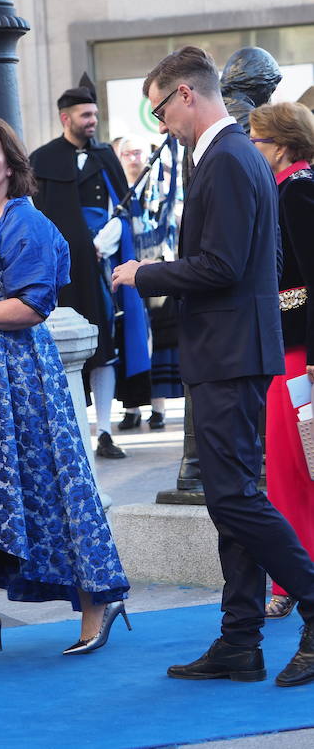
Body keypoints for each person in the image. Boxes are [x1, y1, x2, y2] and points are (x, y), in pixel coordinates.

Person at [113, 46, 314, 688]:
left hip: (230, 354)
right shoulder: (236, 157)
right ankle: (240, 640)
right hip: (235, 350)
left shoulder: (227, 159)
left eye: (159, 112)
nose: (160, 126)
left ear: (185, 97)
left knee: (236, 500)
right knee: (234, 502)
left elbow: (222, 267)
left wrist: (144, 273)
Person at [0, 116, 130, 661]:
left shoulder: (24, 222)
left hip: (19, 374)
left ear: (11, 163)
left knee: (50, 487)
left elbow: (33, 306)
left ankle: (95, 603)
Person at [30, 76, 150, 460]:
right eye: (85, 115)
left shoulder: (104, 157)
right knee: (64, 344)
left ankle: (104, 431)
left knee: (104, 344)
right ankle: (70, 430)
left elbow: (123, 209)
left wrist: (106, 239)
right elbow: (35, 216)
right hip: (61, 270)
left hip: (100, 264)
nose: (92, 120)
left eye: (95, 114)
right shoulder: (43, 159)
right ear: (65, 118)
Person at [248, 101, 314, 620]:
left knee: (292, 473)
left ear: (283, 144)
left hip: (298, 355)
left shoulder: (297, 190)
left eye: (258, 140)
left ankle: (294, 578)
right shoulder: (292, 186)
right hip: (291, 347)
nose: (252, 148)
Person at [115, 135, 183, 431]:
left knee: (161, 339)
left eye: (138, 152)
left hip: (157, 268)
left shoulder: (158, 189)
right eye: (128, 153)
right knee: (130, 339)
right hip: (125, 268)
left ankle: (158, 407)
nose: (134, 158)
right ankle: (131, 408)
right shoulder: (117, 192)